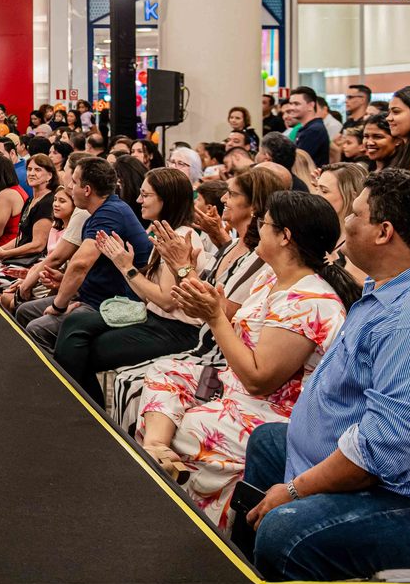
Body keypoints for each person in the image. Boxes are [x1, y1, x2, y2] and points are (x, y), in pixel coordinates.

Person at [239, 170, 410, 582]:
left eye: (354, 213)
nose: (344, 220)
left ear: (384, 232)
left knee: (284, 534)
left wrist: (293, 490)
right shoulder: (395, 283)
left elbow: (377, 454)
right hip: (366, 463)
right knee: (267, 440)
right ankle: (245, 573)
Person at [137, 191, 357, 530]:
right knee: (165, 372)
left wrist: (213, 317)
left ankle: (196, 522)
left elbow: (258, 379)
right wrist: (194, 282)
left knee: (192, 424)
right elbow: (232, 313)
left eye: (264, 223)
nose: (257, 228)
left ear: (285, 236)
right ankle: (157, 450)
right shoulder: (272, 277)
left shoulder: (309, 301)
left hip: (273, 411)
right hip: (236, 385)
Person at [110, 167, 283, 431]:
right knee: (92, 343)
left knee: (129, 382)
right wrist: (183, 268)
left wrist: (178, 268)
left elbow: (219, 312)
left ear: (254, 206)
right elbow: (191, 301)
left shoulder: (257, 258)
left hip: (215, 352)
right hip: (196, 336)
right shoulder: (231, 245)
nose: (223, 199)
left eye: (232, 194)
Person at [52, 168, 204, 407]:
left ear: (166, 199)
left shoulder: (180, 239)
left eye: (146, 195)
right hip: (155, 319)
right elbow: (149, 298)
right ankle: (81, 409)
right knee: (75, 323)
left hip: (176, 330)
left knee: (80, 349)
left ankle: (78, 410)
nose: (139, 200)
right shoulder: (166, 234)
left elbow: (166, 301)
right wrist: (124, 265)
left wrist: (127, 268)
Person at [15, 157, 152, 350]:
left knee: (37, 329)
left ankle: (58, 367)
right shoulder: (104, 210)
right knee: (24, 311)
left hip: (112, 303)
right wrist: (64, 280)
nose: (70, 187)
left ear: (87, 190)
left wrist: (58, 306)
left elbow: (80, 264)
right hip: (94, 295)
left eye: (74, 182)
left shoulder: (110, 213)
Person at [0, 154, 57, 285]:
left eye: (38, 170)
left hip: (33, 262)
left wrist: (6, 253)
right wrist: (0, 250)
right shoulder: (31, 200)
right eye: (29, 169)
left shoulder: (47, 203)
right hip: (20, 256)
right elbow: (21, 236)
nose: (31, 173)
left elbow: (38, 245)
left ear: (49, 176)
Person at [288, 86, 330, 167]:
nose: (291, 108)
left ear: (311, 105)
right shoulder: (308, 128)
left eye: (296, 104)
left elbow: (298, 162)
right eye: (290, 104)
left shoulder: (314, 130)